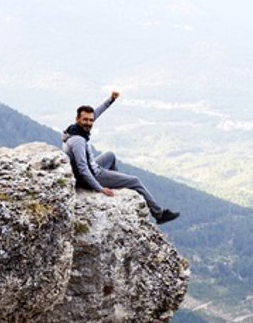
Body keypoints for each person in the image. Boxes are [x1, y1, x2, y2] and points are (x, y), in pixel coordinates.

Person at [62, 91, 180, 224]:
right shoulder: (78, 141)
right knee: (135, 180)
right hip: (92, 176)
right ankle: (159, 214)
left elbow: (96, 113)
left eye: (91, 120)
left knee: (110, 156)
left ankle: (117, 181)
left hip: (92, 167)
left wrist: (111, 100)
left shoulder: (73, 130)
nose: (89, 122)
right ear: (77, 119)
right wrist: (100, 188)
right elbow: (83, 169)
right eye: (85, 120)